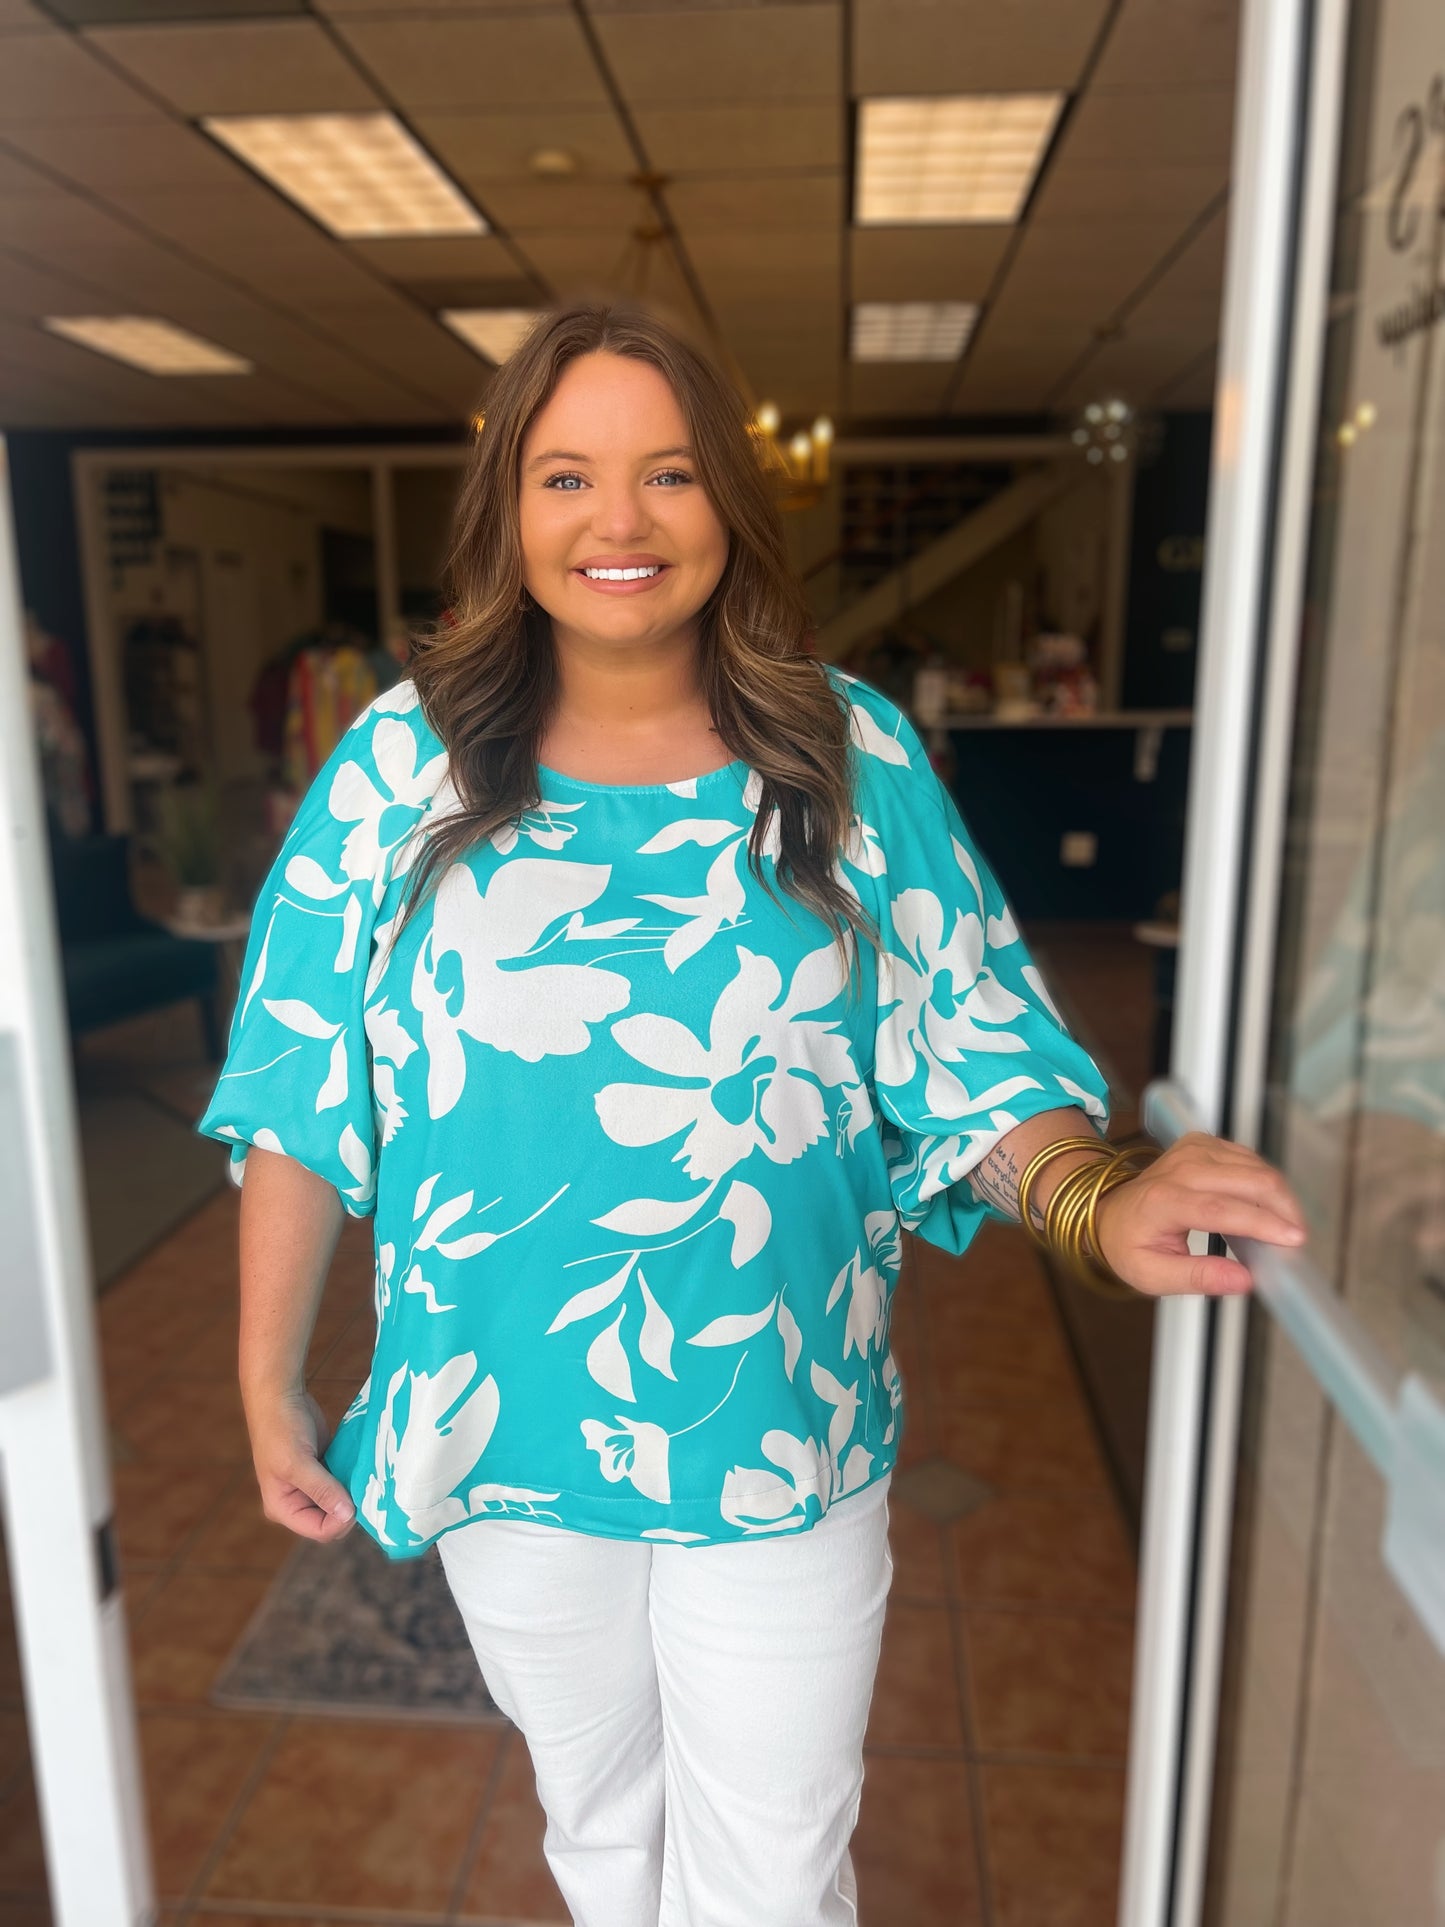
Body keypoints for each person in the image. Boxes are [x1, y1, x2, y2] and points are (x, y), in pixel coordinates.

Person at [197, 300, 1308, 1927]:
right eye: (568, 477)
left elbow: (967, 1047)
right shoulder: (391, 769)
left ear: (730, 498)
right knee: (598, 1831)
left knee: (776, 1866)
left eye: (666, 475)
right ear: (509, 507)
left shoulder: (844, 754)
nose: (620, 523)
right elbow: (301, 1093)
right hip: (497, 1430)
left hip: (777, 1429)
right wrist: (264, 1381)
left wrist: (1095, 1197)